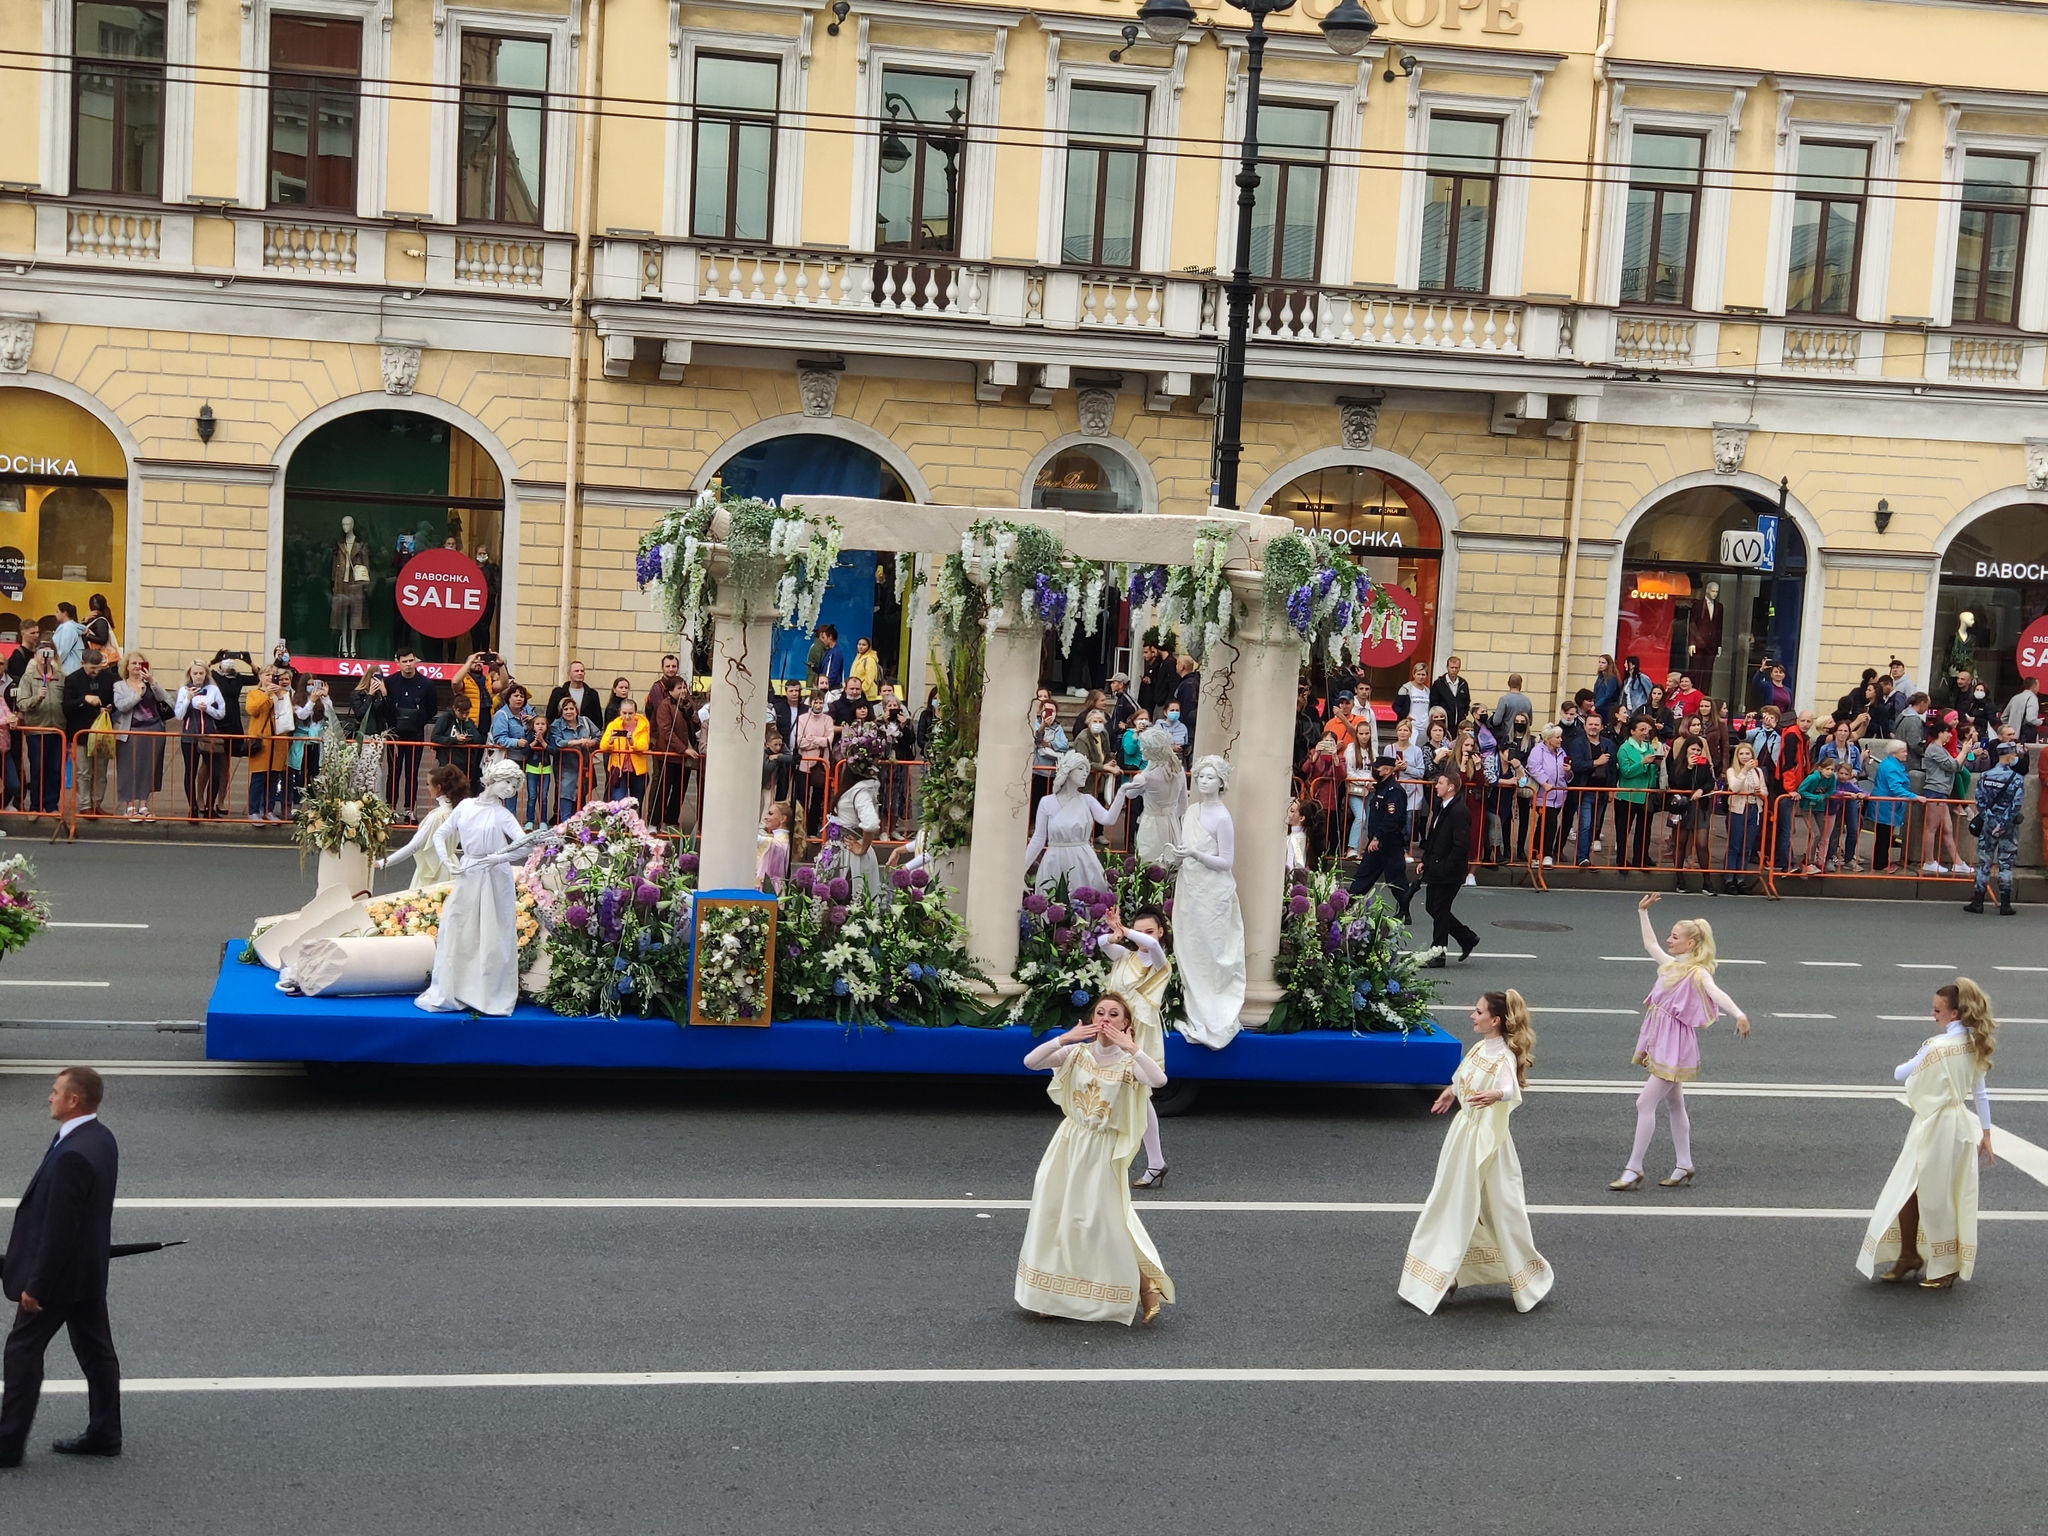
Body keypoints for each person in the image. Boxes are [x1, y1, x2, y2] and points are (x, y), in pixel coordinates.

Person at [1015, 994, 1173, 1326]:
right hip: (1069, 1141)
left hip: (1104, 1149)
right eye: (1100, 1012)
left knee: (1102, 1221)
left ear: (1125, 1024)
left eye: (1114, 1014)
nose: (1105, 1018)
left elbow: (1159, 1080)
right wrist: (1064, 1037)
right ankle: (1051, 1295)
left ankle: (1146, 1286)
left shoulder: (1131, 1063)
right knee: (1056, 1216)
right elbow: (1031, 1061)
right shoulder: (1076, 1052)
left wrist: (1131, 1047)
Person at [1398, 991, 1550, 1316]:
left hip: (1486, 1143)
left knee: (1496, 1209)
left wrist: (1496, 1093)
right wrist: (1452, 1091)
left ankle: (1527, 1278)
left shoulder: (1503, 1057)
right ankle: (1443, 1274)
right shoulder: (1482, 1047)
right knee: (1453, 1202)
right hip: (1465, 1135)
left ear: (1494, 1020)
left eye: (1478, 1011)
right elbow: (1465, 1075)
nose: (1472, 1015)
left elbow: (1511, 1088)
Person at [0, 1066, 121, 1467]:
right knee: (96, 1351)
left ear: (74, 1100)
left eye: (55, 1092)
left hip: (59, 1277)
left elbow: (58, 1230)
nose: (48, 1097)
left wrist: (36, 1285)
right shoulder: (99, 1138)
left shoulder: (71, 1153)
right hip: (87, 1271)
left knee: (21, 1352)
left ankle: (7, 1446)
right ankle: (105, 1432)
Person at [1857, 981, 1997, 1290]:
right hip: (1956, 1124)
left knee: (1933, 1195)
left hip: (1936, 1125)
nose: (1932, 1014)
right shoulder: (1974, 1045)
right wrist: (1986, 1133)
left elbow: (1900, 1074)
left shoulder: (1938, 1048)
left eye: (1937, 1010)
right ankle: (1910, 1255)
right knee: (1920, 1190)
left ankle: (1942, 1265)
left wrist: (1920, 1055)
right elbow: (1980, 1092)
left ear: (1954, 1013)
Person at [1610, 895, 1750, 1191]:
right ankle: (1684, 1164)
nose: (1668, 940)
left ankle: (1634, 1168)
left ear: (1691, 945)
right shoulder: (1673, 965)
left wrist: (1739, 1014)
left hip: (1673, 1044)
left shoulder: (1697, 973)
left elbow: (1717, 993)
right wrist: (1642, 912)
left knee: (1644, 1102)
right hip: (1664, 1039)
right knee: (1675, 1103)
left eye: (1675, 936)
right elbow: (1650, 945)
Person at [415, 759, 530, 1016]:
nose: (510, 790)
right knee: (460, 927)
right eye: (507, 783)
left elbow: (527, 845)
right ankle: (458, 987)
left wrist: (498, 858)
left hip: (494, 876)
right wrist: (447, 860)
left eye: (515, 786)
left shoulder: (502, 814)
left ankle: (489, 991)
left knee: (493, 932)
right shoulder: (465, 807)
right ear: (493, 779)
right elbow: (440, 834)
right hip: (468, 872)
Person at [1164, 755, 1244, 1049]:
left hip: (1214, 891)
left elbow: (1226, 861)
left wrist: (1196, 855)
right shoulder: (1193, 810)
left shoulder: (1222, 816)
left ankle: (1215, 1014)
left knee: (1213, 951)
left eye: (1210, 777)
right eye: (1200, 776)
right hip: (1191, 886)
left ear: (1221, 782)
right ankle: (1194, 1008)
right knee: (1190, 947)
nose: (1203, 781)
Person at [1099, 908, 1174, 1190]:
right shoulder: (1125, 956)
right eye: (1138, 931)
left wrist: (1125, 930)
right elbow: (1103, 945)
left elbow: (1153, 947)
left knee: (1136, 1094)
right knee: (1126, 1094)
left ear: (1160, 933)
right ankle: (1153, 1162)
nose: (1143, 937)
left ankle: (1135, 1161)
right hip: (1114, 1027)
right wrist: (1114, 933)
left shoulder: (1158, 961)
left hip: (1139, 1031)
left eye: (1149, 931)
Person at [1023, 751, 1118, 896]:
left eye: (1087, 769)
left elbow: (1108, 819)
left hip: (1083, 860)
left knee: (1085, 903)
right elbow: (1038, 839)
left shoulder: (1087, 800)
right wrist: (1021, 870)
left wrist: (1122, 793)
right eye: (1080, 769)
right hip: (1055, 859)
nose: (1085, 773)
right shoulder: (1047, 802)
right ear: (1068, 770)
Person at [1418, 768, 1477, 966]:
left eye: (1440, 783)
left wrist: (1446, 866)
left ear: (1450, 787)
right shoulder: (1442, 806)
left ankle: (1438, 953)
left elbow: (1461, 845)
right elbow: (1434, 838)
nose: (1436, 786)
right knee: (1432, 907)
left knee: (1440, 910)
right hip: (1436, 866)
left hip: (1448, 871)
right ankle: (1466, 937)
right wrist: (1425, 860)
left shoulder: (1459, 812)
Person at [377, 765, 467, 890]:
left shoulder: (437, 816)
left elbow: (414, 846)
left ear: (438, 788)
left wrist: (382, 863)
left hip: (435, 870)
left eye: (428, 784)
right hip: (452, 865)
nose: (427, 788)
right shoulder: (457, 811)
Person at [1348, 753, 1414, 920]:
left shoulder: (1394, 792)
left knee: (1396, 879)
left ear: (1386, 770)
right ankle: (1349, 903)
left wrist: (1377, 838)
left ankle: (1405, 911)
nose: (1374, 770)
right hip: (1375, 843)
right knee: (1364, 874)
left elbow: (1392, 819)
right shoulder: (1381, 788)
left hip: (1389, 843)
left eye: (1377, 768)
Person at [1965, 738, 2026, 915]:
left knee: (1984, 863)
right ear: (2009, 756)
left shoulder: (1986, 776)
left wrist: (1991, 822)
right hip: (2008, 827)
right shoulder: (2017, 779)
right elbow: (2016, 805)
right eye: (2014, 754)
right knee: (2006, 864)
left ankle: (1978, 902)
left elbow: (1980, 802)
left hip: (1988, 826)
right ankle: (2005, 905)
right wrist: (2003, 824)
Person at [1113, 725, 1186, 869]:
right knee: (1170, 865)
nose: (1141, 749)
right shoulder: (1179, 769)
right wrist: (1169, 814)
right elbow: (1183, 806)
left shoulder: (1146, 777)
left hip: (1151, 824)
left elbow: (1130, 794)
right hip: (1171, 822)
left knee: (1149, 865)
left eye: (1144, 747)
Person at [110, 655, 171, 822]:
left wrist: (152, 682)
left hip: (153, 729)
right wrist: (137, 694)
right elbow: (121, 706)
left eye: (140, 663)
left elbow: (166, 700)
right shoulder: (119, 685)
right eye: (133, 663)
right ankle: (129, 806)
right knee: (128, 769)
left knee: (148, 768)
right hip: (130, 732)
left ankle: (143, 806)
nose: (137, 666)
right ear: (126, 667)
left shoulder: (150, 683)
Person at [64, 649, 119, 817]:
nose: (95, 672)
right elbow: (66, 706)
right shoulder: (72, 679)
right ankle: (85, 804)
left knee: (101, 771)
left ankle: (97, 803)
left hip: (101, 731)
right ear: (82, 664)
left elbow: (113, 700)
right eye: (91, 668)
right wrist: (84, 700)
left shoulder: (107, 677)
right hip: (81, 732)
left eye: (98, 668)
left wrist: (109, 708)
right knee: (84, 771)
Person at [173, 660, 225, 819]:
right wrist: (188, 699)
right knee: (191, 771)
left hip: (209, 735)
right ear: (190, 674)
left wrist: (208, 708)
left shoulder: (213, 689)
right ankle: (193, 807)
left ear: (206, 674)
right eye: (195, 673)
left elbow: (221, 713)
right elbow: (179, 715)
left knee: (215, 772)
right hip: (190, 735)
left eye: (201, 673)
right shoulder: (184, 690)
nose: (198, 676)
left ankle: (210, 806)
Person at [1613, 715, 1664, 868]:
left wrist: (1655, 764)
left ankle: (1641, 857)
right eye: (1641, 730)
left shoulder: (1648, 747)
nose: (1645, 733)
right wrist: (1642, 763)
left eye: (1647, 730)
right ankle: (1621, 859)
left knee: (1644, 828)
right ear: (1632, 731)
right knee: (1624, 829)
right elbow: (1626, 772)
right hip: (1628, 794)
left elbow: (1651, 770)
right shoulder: (1624, 749)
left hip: (1646, 793)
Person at [1668, 737, 1717, 894]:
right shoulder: (1678, 763)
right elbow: (1676, 783)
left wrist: (1702, 790)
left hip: (1699, 806)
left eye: (1698, 750)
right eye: (1692, 749)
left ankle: (1707, 881)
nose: (1695, 752)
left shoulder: (1704, 765)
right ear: (1686, 749)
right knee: (1680, 843)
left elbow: (1710, 782)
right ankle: (1679, 879)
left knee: (1702, 844)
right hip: (1682, 806)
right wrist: (1689, 767)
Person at [1722, 740, 1767, 894]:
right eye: (1741, 753)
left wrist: (1759, 791)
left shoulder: (1758, 772)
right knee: (1734, 845)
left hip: (1754, 809)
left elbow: (1765, 791)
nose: (1745, 756)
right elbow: (1734, 787)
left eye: (1747, 753)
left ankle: (1741, 879)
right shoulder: (1732, 770)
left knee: (1746, 847)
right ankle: (1729, 880)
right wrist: (1743, 771)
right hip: (1737, 810)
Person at [546, 698, 599, 820]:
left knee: (581, 796)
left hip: (584, 766)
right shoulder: (556, 725)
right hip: (566, 767)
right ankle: (565, 826)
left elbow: (599, 736)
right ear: (561, 711)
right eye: (565, 709)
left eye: (571, 708)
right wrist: (577, 742)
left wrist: (591, 742)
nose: (569, 711)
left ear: (576, 710)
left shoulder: (585, 721)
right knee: (565, 794)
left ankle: (577, 828)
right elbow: (557, 742)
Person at [1869, 738, 1916, 873]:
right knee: (1884, 835)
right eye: (1903, 751)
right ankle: (1880, 864)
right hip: (1886, 805)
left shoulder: (1889, 763)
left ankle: (1882, 862)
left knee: (1884, 835)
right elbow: (1895, 787)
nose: (1906, 754)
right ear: (1895, 753)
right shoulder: (1891, 767)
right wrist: (1913, 796)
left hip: (1886, 804)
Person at [1526, 724, 1569, 867]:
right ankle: (1546, 854)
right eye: (1557, 737)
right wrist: (1544, 783)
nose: (1560, 740)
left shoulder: (1561, 752)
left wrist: (1569, 772)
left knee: (1544, 825)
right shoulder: (1538, 750)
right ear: (1548, 738)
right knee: (1550, 823)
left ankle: (1535, 853)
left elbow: (1565, 774)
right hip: (1543, 796)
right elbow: (1533, 767)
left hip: (1558, 795)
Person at [598, 694, 652, 805]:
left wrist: (632, 742)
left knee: (635, 804)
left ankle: (634, 822)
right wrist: (610, 741)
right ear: (620, 712)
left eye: (630, 713)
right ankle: (619, 822)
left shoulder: (643, 725)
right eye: (624, 713)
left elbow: (644, 746)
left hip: (637, 771)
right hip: (619, 770)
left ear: (635, 713)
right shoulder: (613, 725)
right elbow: (603, 746)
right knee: (618, 801)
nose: (627, 716)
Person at [428, 691, 485, 789]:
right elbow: (435, 737)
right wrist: (454, 739)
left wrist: (467, 723)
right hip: (448, 763)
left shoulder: (468, 722)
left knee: (462, 791)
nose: (464, 716)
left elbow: (478, 739)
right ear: (454, 709)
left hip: (465, 765)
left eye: (467, 713)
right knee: (448, 790)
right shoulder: (446, 718)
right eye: (461, 713)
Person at [545, 660, 598, 725]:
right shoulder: (558, 693)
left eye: (582, 671)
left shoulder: (592, 694)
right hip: (561, 732)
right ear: (569, 673)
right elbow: (550, 716)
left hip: (585, 732)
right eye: (576, 671)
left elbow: (597, 720)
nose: (580, 673)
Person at [1430, 656, 1471, 728]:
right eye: (1452, 667)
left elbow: (1467, 700)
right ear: (1447, 667)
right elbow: (1434, 702)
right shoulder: (1438, 683)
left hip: (1459, 723)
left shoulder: (1463, 683)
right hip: (1444, 723)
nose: (1454, 670)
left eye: (1456, 668)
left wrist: (1464, 713)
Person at [1137, 640, 1174, 714]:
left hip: (1156, 702)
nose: (1144, 655)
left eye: (1146, 652)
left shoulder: (1165, 664)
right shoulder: (1153, 665)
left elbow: (1170, 684)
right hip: (1150, 701)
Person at [1395, 660, 1432, 734]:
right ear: (1414, 674)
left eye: (1423, 674)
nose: (1420, 677)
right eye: (1418, 674)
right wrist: (1406, 716)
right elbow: (1396, 706)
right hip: (1411, 725)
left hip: (1425, 725)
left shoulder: (1427, 690)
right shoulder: (1406, 688)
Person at [2002, 676, 2040, 744]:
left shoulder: (2015, 697)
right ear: (2034, 686)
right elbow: (2030, 719)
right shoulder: (2032, 698)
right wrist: (2039, 722)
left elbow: (2003, 717)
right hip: (2025, 734)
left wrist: (2010, 725)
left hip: (2012, 735)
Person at [49, 603, 84, 676]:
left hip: (68, 668)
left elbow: (63, 650)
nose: (55, 614)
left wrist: (54, 665)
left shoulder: (68, 628)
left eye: (57, 612)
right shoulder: (67, 627)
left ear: (64, 613)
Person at [1171, 654, 1201, 738]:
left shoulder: (1187, 685)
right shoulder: (1188, 682)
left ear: (1182, 667)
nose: (1176, 666)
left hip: (1186, 727)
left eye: (1177, 664)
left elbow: (1186, 708)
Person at [848, 635, 879, 700]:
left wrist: (859, 690)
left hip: (866, 695)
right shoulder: (858, 657)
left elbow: (869, 679)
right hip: (856, 694)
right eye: (859, 644)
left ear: (869, 647)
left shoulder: (870, 660)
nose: (861, 647)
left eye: (864, 645)